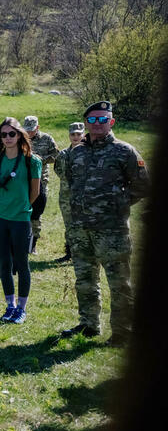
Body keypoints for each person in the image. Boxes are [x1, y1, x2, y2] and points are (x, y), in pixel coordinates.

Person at [60, 101, 150, 346]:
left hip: (112, 231)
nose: (97, 124)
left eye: (103, 119)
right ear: (86, 123)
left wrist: (117, 204)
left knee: (119, 283)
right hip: (80, 229)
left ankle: (123, 332)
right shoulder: (75, 153)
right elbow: (70, 186)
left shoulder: (125, 151)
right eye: (93, 120)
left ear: (111, 122)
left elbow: (143, 186)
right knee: (85, 280)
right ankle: (89, 324)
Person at [0, 117, 41, 324]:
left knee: (21, 262)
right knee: (4, 262)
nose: (8, 138)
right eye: (4, 134)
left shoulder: (31, 160)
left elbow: (35, 192)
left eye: (12, 133)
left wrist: (21, 207)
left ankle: (22, 308)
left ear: (20, 135)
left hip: (20, 218)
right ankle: (9, 305)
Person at [23, 115, 59, 254]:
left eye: (31, 130)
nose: (29, 133)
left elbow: (56, 155)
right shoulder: (20, 138)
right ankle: (19, 241)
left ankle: (33, 244)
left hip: (40, 180)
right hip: (22, 180)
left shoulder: (47, 139)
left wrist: (40, 160)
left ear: (37, 128)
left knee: (36, 212)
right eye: (26, 130)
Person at [53, 122, 86, 263]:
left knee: (83, 226)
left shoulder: (89, 152)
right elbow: (58, 170)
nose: (75, 137)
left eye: (79, 134)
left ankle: (84, 255)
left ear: (83, 135)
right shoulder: (64, 154)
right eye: (73, 134)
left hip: (85, 196)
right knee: (69, 225)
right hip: (66, 196)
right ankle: (70, 253)